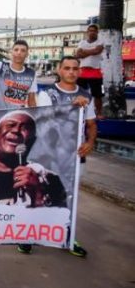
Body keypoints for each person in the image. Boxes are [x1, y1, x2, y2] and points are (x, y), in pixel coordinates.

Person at [37, 55, 97, 257]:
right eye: (67, 68)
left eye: (75, 68)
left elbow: (91, 124)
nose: (71, 72)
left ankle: (67, 235)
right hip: (49, 154)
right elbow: (44, 119)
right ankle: (29, 235)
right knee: (42, 193)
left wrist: (90, 142)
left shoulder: (86, 96)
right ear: (59, 70)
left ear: (79, 71)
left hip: (75, 156)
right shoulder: (48, 94)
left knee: (69, 196)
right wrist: (72, 105)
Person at [75, 24, 104, 117]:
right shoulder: (82, 42)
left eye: (94, 31)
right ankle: (79, 113)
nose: (92, 32)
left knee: (98, 95)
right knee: (80, 94)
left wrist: (84, 51)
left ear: (97, 32)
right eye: (90, 30)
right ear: (87, 32)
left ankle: (99, 113)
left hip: (95, 72)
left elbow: (97, 51)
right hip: (82, 72)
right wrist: (92, 51)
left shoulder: (100, 42)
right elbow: (78, 55)